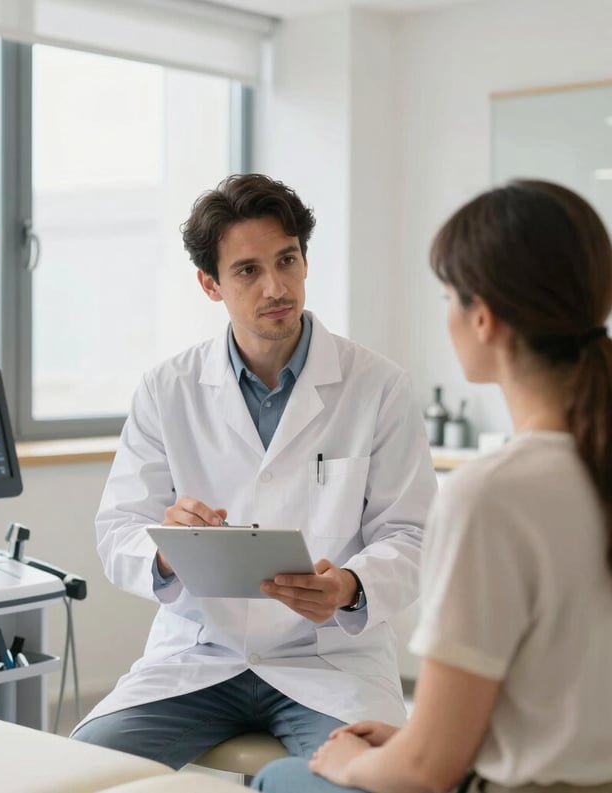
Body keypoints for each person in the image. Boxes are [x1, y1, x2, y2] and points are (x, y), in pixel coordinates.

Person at [252, 179, 612, 793]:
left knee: (284, 777)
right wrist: (420, 738)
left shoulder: (493, 496)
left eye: (447, 295)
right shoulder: (582, 468)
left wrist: (354, 765)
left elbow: (426, 772)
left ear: (483, 318)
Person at [71, 173, 437, 769]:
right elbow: (118, 531)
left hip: (329, 659)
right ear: (210, 284)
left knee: (371, 783)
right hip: (199, 654)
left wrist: (349, 586)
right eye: (247, 270)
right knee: (86, 768)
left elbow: (414, 534)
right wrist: (167, 549)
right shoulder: (168, 389)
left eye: (287, 260)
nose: (276, 286)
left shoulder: (378, 386)